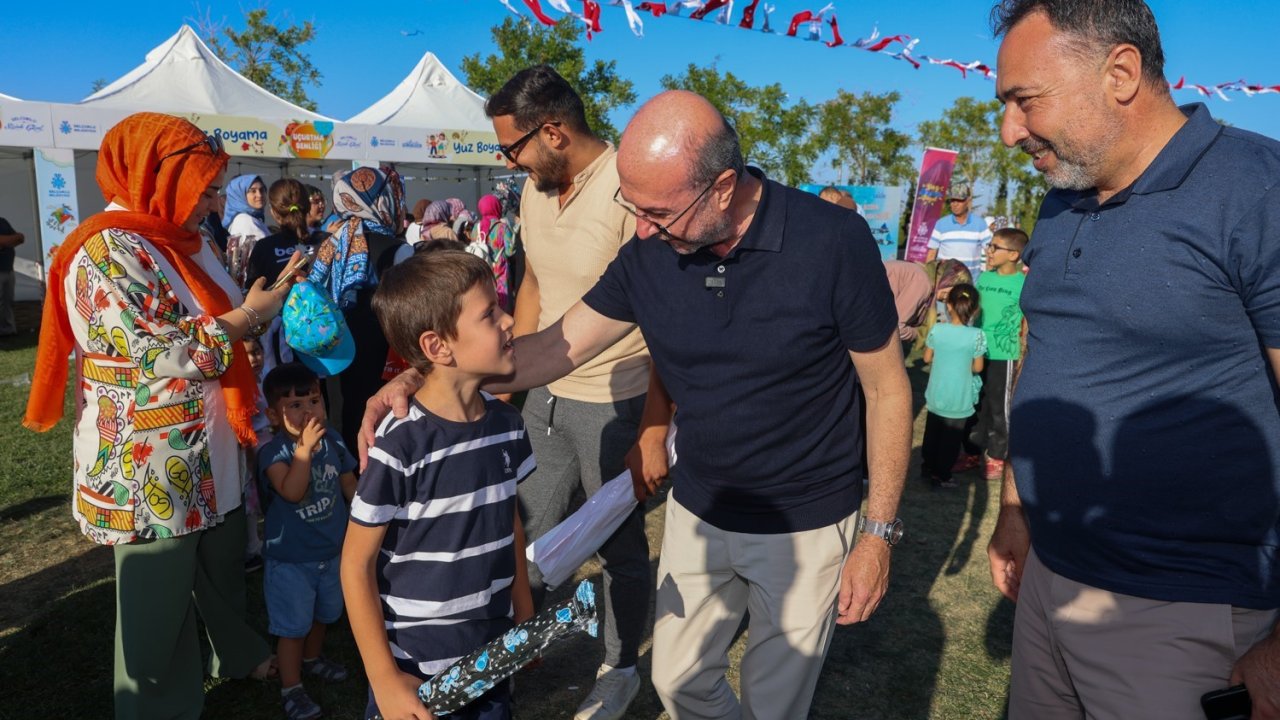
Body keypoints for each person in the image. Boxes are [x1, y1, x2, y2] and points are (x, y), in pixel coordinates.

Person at [364, 90, 912, 720]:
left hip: (806, 520)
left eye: (659, 212)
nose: (643, 228)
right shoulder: (650, 255)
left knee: (773, 704)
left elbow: (888, 388)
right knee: (678, 683)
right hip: (700, 509)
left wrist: (877, 535)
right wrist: (429, 376)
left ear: (724, 188)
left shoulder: (833, 241)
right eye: (633, 206)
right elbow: (557, 348)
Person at [985, 1, 1280, 717]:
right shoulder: (1061, 201)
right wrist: (1018, 510)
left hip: (1188, 614)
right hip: (1051, 582)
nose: (1008, 131)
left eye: (1025, 101)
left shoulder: (1256, 189)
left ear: (1120, 72)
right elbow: (1046, 358)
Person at [23, 111, 301, 719]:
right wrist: (250, 319)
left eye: (213, 189)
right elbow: (162, 350)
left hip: (208, 445)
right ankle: (154, 704)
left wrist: (244, 331)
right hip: (150, 460)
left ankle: (234, 650)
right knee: (157, 601)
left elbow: (214, 323)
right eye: (201, 189)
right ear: (153, 175)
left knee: (221, 562)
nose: (210, 202)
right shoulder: (105, 247)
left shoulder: (182, 237)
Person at [485, 64, 659, 720]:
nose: (508, 161)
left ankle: (620, 668)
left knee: (617, 547)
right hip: (542, 398)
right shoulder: (535, 188)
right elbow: (532, 286)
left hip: (617, 401)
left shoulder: (630, 188)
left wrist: (652, 425)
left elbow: (662, 314)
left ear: (553, 132)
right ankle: (520, 652)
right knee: (530, 537)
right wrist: (510, 379)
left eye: (512, 147)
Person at [342, 250, 535, 720]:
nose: (509, 320)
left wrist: (525, 614)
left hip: (491, 656)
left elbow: (508, 520)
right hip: (414, 674)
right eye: (490, 313)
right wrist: (385, 680)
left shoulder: (508, 425)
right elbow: (355, 566)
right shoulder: (399, 444)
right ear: (437, 347)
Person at [258, 362, 357, 720]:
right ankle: (291, 687)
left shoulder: (334, 441)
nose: (308, 411)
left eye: (314, 401)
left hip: (331, 551)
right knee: (292, 627)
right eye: (295, 405)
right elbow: (293, 491)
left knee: (324, 614)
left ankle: (313, 660)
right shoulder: (274, 454)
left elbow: (348, 485)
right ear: (272, 414)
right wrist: (303, 451)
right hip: (290, 560)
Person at [308, 166, 405, 453]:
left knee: (345, 413)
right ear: (381, 199)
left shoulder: (331, 243)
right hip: (381, 345)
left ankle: (347, 478)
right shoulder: (397, 248)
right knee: (379, 414)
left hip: (335, 344)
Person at [247, 179, 328, 374]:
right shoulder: (326, 242)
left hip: (281, 344)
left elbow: (252, 294)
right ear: (308, 206)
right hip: (324, 334)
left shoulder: (264, 247)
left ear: (273, 212)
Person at [971, 227, 1027, 481]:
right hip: (977, 351)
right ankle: (971, 451)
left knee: (998, 407)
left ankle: (996, 455)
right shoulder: (984, 278)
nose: (989, 251)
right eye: (990, 246)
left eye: (995, 247)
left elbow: (1027, 320)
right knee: (974, 403)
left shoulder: (1024, 284)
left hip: (1004, 354)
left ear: (1014, 254)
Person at [920, 283, 985, 489]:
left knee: (932, 434)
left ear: (948, 306)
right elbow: (978, 367)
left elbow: (926, 357)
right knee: (951, 440)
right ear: (974, 310)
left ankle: (928, 467)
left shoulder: (938, 330)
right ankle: (943, 474)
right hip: (959, 398)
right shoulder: (976, 335)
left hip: (937, 394)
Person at [925, 181, 992, 280]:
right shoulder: (941, 224)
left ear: (968, 201)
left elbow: (990, 253)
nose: (955, 204)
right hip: (945, 283)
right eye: (952, 200)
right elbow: (931, 254)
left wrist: (988, 278)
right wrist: (929, 278)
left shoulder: (980, 224)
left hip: (972, 282)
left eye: (959, 200)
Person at [222, 174, 270, 289]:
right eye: (252, 191)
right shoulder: (245, 220)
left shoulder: (251, 219)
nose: (259, 195)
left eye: (262, 190)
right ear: (240, 195)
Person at [0, 216, 24, 336]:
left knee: (7, 301)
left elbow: (21, 238)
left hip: (8, 269)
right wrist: (11, 240)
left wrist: (7, 241)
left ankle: (8, 330)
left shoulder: (3, 221)